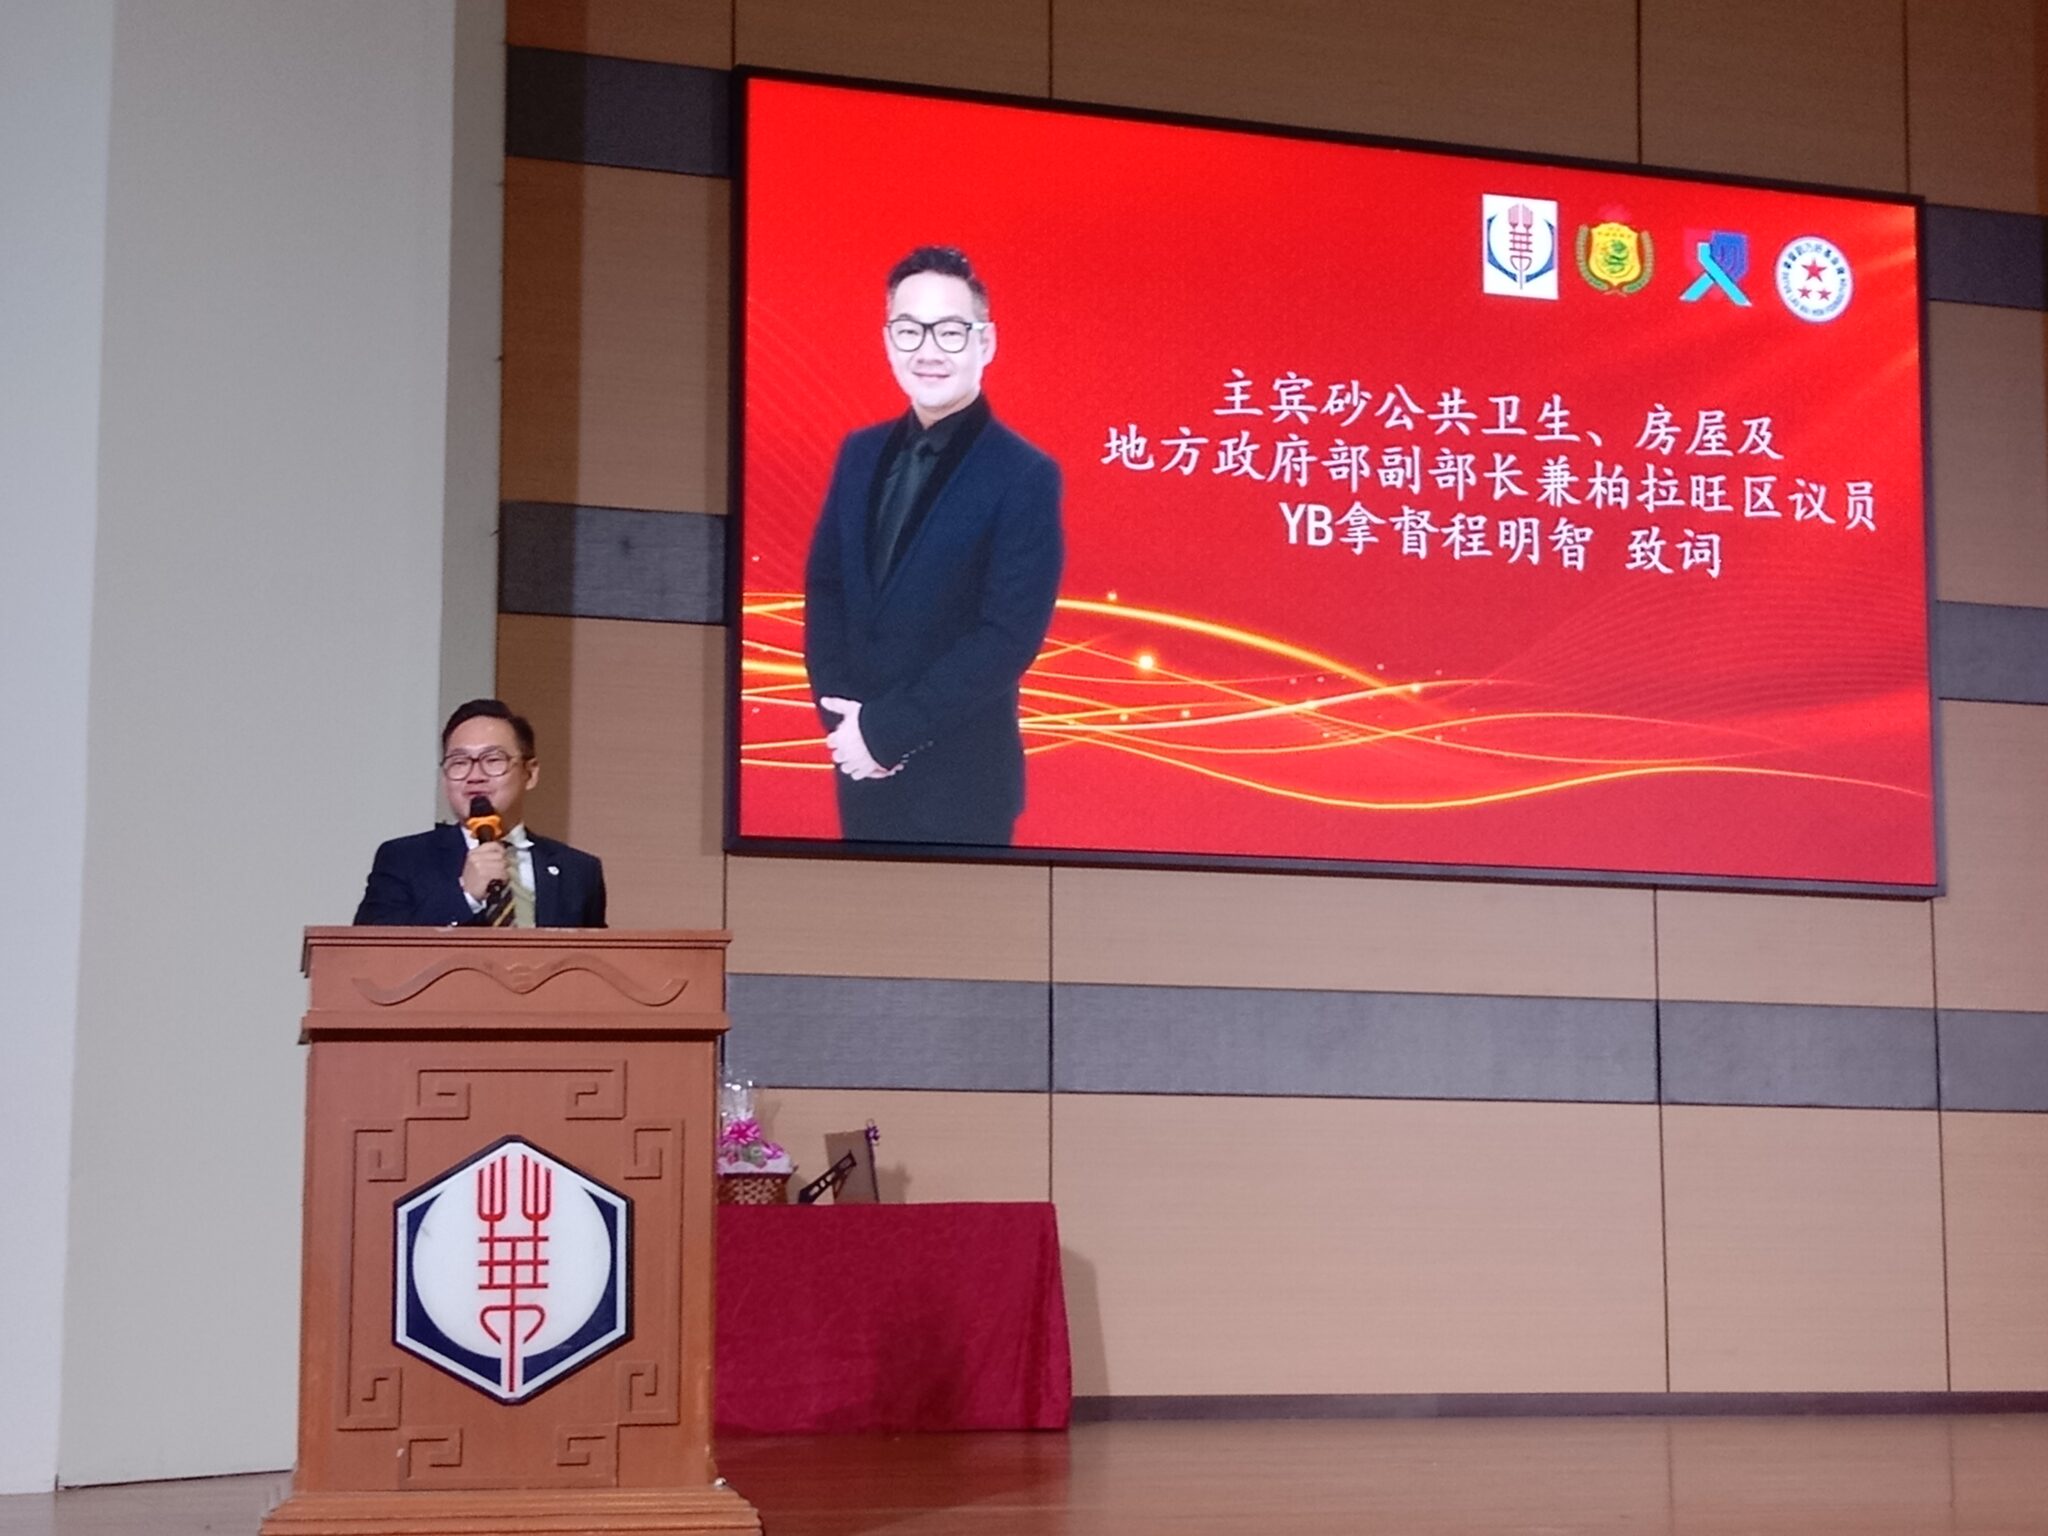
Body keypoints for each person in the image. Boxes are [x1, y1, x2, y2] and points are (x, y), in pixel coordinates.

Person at [803, 245, 1064, 845]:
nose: (927, 350)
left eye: (949, 331)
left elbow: (1007, 637)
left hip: (961, 786)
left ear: (985, 342)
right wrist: (846, 725)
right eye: (908, 330)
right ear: (887, 340)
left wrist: (886, 733)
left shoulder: (1025, 474)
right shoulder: (859, 452)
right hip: (858, 771)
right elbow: (827, 588)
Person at [353, 698, 606, 926]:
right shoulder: (404, 859)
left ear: (530, 773)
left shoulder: (578, 871)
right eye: (459, 762)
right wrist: (465, 896)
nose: (475, 776)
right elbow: (370, 950)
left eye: (493, 760)